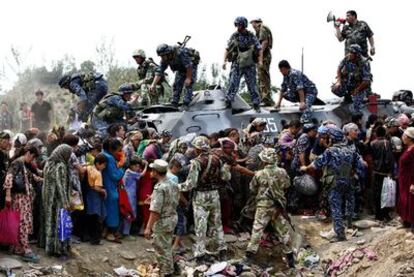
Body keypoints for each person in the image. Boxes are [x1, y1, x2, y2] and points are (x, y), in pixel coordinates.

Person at [301, 126, 362, 242]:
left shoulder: (331, 151)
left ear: (332, 138)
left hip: (335, 183)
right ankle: (349, 225)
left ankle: (340, 234)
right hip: (349, 181)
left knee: (336, 208)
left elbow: (316, 164)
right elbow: (359, 165)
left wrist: (305, 168)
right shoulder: (351, 149)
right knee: (349, 204)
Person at [179, 136, 231, 262]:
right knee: (217, 223)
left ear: (197, 148)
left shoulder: (196, 162)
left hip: (201, 196)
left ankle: (200, 254)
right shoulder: (218, 159)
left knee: (201, 226)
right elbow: (226, 177)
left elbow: (190, 184)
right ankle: (222, 250)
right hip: (214, 194)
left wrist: (176, 186)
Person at [243, 148, 295, 268]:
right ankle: (290, 259)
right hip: (278, 207)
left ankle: (248, 257)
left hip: (263, 206)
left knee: (257, 231)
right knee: (283, 232)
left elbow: (252, 189)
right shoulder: (282, 171)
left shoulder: (259, 174)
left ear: (264, 161)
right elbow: (287, 185)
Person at [4, 145, 40, 262]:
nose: (33, 160)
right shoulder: (17, 163)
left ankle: (17, 248)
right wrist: (8, 195)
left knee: (20, 223)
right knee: (23, 223)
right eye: (33, 157)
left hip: (23, 198)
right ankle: (26, 249)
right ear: (28, 153)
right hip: (20, 199)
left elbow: (29, 176)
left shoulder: (22, 163)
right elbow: (9, 177)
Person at [144, 159, 179, 276]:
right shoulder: (172, 183)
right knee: (166, 245)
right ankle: (170, 268)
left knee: (161, 248)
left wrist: (148, 227)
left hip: (163, 221)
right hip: (172, 218)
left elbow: (155, 211)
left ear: (155, 172)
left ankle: (167, 272)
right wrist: (153, 198)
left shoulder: (159, 188)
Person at [223, 16, 263, 112]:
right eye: (237, 25)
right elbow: (227, 49)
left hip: (249, 63)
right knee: (233, 82)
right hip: (237, 63)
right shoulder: (234, 36)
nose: (237, 27)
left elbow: (259, 48)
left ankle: (256, 103)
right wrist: (224, 61)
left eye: (239, 25)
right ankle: (229, 101)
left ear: (244, 25)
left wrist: (260, 61)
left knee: (252, 84)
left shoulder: (251, 35)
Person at [39, 144, 73, 256]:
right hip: (57, 199)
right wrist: (65, 202)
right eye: (68, 154)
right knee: (58, 223)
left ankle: (46, 245)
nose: (69, 157)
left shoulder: (49, 163)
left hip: (48, 198)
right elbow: (60, 185)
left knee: (49, 221)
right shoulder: (60, 166)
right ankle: (57, 248)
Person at [150, 43, 199, 108]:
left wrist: (188, 78)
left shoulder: (181, 53)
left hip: (190, 67)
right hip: (181, 69)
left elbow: (188, 66)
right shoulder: (165, 59)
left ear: (168, 53)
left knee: (188, 84)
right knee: (176, 85)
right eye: (161, 56)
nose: (162, 57)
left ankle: (186, 103)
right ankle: (174, 102)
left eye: (163, 55)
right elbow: (159, 71)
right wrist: (153, 84)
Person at [331, 44, 372, 114]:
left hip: (360, 86)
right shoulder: (347, 58)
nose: (350, 54)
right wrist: (339, 81)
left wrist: (356, 90)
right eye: (350, 52)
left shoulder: (364, 63)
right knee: (335, 89)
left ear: (357, 55)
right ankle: (347, 96)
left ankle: (357, 118)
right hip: (348, 82)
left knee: (356, 106)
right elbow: (339, 69)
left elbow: (366, 81)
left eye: (352, 53)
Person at [102, 138, 125, 243]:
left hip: (104, 186)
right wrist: (121, 169)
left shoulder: (103, 154)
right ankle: (110, 232)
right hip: (110, 187)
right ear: (112, 149)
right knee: (112, 211)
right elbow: (115, 176)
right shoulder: (110, 158)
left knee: (106, 210)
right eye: (118, 150)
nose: (119, 152)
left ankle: (105, 231)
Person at [370, 126, 394, 221]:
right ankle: (385, 214)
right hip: (385, 172)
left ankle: (378, 215)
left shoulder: (372, 143)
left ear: (376, 134)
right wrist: (391, 171)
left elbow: (371, 157)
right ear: (384, 133)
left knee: (377, 193)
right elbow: (390, 158)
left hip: (376, 171)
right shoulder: (387, 143)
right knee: (386, 193)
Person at [121, 156, 147, 239]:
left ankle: (124, 232)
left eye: (139, 166)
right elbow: (142, 174)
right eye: (137, 166)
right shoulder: (130, 173)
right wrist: (146, 165)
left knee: (128, 213)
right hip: (129, 196)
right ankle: (126, 233)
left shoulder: (128, 171)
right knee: (129, 214)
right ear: (132, 166)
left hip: (129, 195)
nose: (138, 168)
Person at [85, 153, 107, 245]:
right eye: (104, 165)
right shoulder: (98, 174)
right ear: (98, 163)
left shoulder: (89, 167)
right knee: (98, 218)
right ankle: (95, 240)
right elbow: (97, 187)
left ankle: (90, 237)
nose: (104, 167)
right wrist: (104, 191)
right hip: (95, 197)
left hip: (89, 195)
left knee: (91, 217)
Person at [250, 18, 274, 106]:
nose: (252, 25)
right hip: (263, 56)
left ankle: (266, 99)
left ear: (255, 22)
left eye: (252, 23)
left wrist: (260, 55)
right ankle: (264, 98)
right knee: (261, 77)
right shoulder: (260, 29)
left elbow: (264, 42)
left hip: (264, 57)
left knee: (264, 77)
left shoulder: (262, 28)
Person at [397, 127, 414, 232]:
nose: (402, 137)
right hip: (404, 180)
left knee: (411, 202)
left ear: (410, 138)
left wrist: (413, 183)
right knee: (405, 201)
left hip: (410, 180)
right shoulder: (408, 148)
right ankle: (406, 221)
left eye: (404, 136)